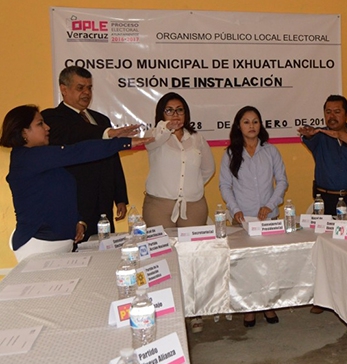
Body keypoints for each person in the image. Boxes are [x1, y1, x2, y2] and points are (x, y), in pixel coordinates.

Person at [1, 105, 149, 262]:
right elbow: (78, 151)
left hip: (60, 243)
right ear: (24, 132)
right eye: (40, 124)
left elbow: (60, 194)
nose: (47, 127)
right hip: (39, 245)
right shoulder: (28, 158)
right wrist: (124, 143)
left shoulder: (44, 159)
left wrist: (78, 220)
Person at [41, 66, 139, 240]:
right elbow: (77, 132)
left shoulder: (101, 119)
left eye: (89, 88)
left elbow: (113, 159)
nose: (86, 93)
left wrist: (120, 197)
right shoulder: (52, 118)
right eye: (80, 88)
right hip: (74, 203)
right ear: (64, 89)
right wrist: (107, 133)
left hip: (103, 201)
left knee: (106, 248)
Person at [219, 106, 287, 326]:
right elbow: (225, 185)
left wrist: (269, 205)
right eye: (246, 122)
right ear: (239, 126)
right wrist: (234, 209)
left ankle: (268, 305)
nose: (251, 126)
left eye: (255, 121)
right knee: (246, 266)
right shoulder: (230, 153)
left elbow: (282, 181)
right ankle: (249, 308)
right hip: (242, 220)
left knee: (268, 263)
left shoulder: (271, 151)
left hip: (268, 219)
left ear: (261, 125)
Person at [143, 92, 215, 229]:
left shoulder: (197, 138)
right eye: (169, 110)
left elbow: (208, 169)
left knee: (193, 243)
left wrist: (192, 185)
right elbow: (156, 140)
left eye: (179, 110)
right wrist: (167, 127)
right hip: (158, 206)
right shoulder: (153, 135)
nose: (175, 114)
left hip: (193, 206)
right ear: (161, 114)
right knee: (163, 243)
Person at [298, 95, 347, 217]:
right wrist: (308, 135)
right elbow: (309, 139)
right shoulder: (319, 136)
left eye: (337, 112)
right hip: (325, 200)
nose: (332, 116)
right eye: (328, 112)